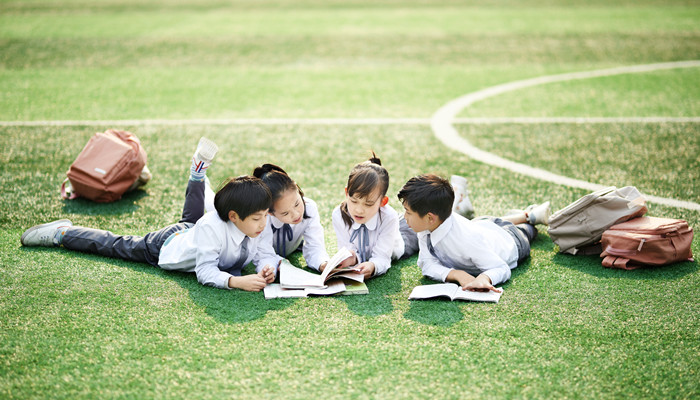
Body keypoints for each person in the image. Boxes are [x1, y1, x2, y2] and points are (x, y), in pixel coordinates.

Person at [20, 137, 281, 292]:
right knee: (116, 245)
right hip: (165, 246)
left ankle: (198, 172)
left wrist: (267, 268)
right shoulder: (213, 227)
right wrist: (236, 282)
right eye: (257, 218)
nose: (263, 224)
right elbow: (205, 272)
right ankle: (61, 233)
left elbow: (263, 253)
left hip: (195, 231)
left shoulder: (254, 222)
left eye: (264, 216)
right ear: (235, 217)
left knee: (196, 217)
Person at [397, 174, 550, 293]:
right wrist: (456, 274)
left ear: (430, 218)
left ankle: (530, 218)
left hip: (510, 240)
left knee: (528, 230)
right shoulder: (426, 227)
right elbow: (427, 264)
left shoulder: (467, 240)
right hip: (482, 225)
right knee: (483, 222)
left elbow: (501, 268)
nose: (404, 217)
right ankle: (525, 214)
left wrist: (484, 277)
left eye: (408, 212)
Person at [330, 153, 411, 280]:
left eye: (368, 204)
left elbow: (382, 257)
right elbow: (348, 249)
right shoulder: (338, 215)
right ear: (346, 193)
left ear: (382, 202)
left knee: (417, 226)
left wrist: (373, 266)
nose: (359, 210)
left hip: (400, 242)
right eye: (354, 201)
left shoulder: (389, 217)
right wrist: (351, 258)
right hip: (388, 222)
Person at [252, 163, 330, 272]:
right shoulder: (262, 219)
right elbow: (264, 254)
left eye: (297, 204)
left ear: (297, 189)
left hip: (293, 247)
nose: (296, 214)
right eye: (285, 213)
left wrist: (323, 264)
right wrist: (270, 270)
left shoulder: (309, 207)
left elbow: (315, 246)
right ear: (270, 213)